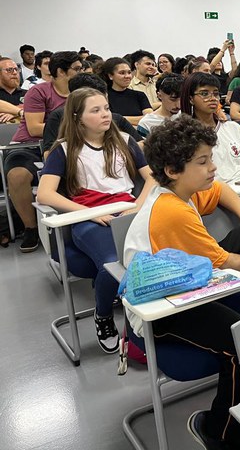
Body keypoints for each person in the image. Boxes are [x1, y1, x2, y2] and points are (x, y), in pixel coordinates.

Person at [123, 116, 240, 450]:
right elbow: (225, 262)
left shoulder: (183, 192)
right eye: (203, 161)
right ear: (173, 170)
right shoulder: (171, 210)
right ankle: (218, 430)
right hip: (161, 309)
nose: (213, 167)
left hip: (192, 284)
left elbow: (219, 189)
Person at [37, 87, 154, 353]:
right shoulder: (64, 149)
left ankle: (149, 315)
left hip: (129, 210)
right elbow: (45, 194)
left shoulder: (125, 140)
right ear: (77, 117)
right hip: (89, 217)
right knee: (113, 263)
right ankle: (103, 315)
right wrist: (89, 212)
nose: (106, 114)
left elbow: (152, 178)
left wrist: (137, 205)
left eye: (106, 108)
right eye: (96, 110)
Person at [180, 73, 240, 227]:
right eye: (204, 94)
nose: (212, 98)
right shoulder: (185, 134)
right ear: (191, 99)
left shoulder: (232, 127)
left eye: (215, 93)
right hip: (213, 194)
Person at [5, 51, 82, 252]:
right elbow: (35, 128)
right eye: (77, 69)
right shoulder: (38, 92)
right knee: (17, 175)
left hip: (69, 145)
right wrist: (77, 125)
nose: (81, 72)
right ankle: (31, 228)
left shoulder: (82, 93)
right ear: (61, 71)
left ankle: (76, 221)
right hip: (29, 146)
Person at [42, 73, 141, 158]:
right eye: (95, 109)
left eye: (106, 107)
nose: (104, 114)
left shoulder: (115, 119)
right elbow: (48, 154)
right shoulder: (58, 117)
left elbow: (141, 144)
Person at [100, 57, 152, 126]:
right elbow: (109, 120)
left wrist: (121, 119)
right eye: (122, 73)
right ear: (110, 76)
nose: (127, 76)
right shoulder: (104, 97)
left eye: (129, 72)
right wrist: (139, 119)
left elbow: (149, 118)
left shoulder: (139, 95)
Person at [137, 73, 182, 137]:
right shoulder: (146, 123)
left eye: (182, 99)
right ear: (159, 95)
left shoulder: (187, 115)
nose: (178, 105)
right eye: (173, 99)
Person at [0, 56, 26, 123]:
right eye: (9, 70)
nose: (15, 73)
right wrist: (19, 111)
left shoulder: (29, 93)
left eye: (16, 69)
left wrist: (15, 113)